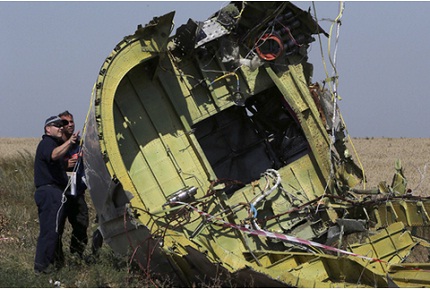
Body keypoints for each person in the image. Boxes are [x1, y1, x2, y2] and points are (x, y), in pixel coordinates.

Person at [34, 115, 78, 274]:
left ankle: (53, 264)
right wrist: (70, 142)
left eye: (62, 125)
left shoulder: (53, 144)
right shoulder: (47, 143)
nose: (60, 127)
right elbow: (53, 155)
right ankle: (42, 268)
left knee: (53, 230)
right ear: (47, 129)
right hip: (50, 192)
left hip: (52, 192)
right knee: (50, 231)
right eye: (56, 125)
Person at [58, 110, 89, 259]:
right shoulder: (56, 144)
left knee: (82, 224)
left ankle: (77, 255)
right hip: (61, 192)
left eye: (72, 121)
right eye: (66, 122)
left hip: (77, 192)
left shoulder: (80, 143)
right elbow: (48, 162)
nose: (70, 125)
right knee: (58, 227)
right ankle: (57, 258)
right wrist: (65, 164)